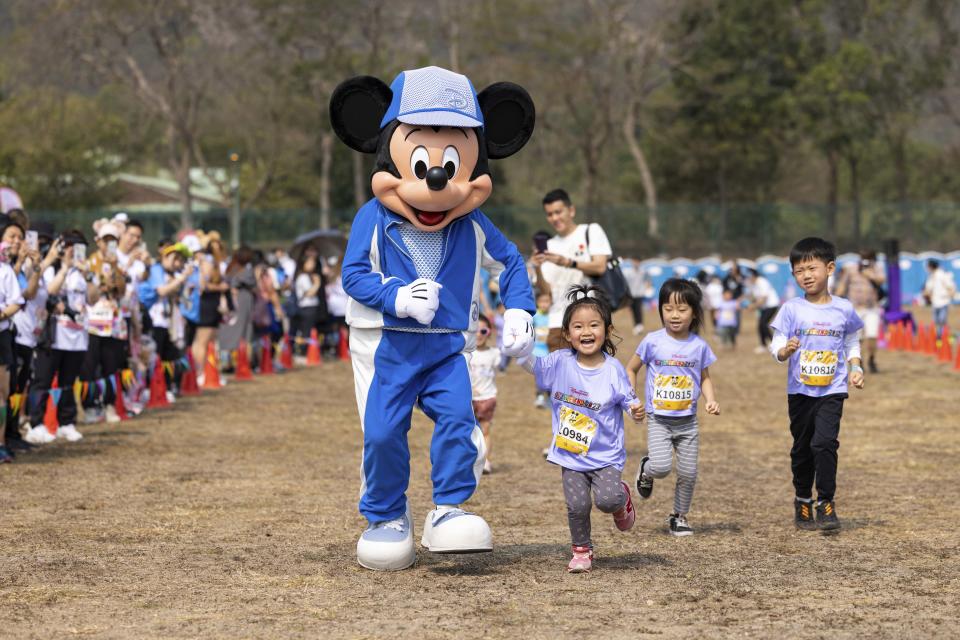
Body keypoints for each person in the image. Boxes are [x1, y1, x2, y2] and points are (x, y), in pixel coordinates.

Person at [521, 285, 641, 573]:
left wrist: (635, 409)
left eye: (593, 325)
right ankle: (582, 550)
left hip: (605, 455)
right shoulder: (559, 363)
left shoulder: (613, 369)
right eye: (578, 326)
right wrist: (518, 345)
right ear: (567, 334)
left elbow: (628, 398)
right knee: (577, 506)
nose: (586, 332)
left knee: (606, 499)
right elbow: (531, 365)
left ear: (607, 330)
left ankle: (622, 499)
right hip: (571, 454)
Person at [768, 237, 865, 532]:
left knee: (824, 444)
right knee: (802, 448)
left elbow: (851, 339)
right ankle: (802, 500)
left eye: (811, 268)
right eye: (799, 271)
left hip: (832, 390)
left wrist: (856, 366)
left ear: (830, 268)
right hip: (800, 392)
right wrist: (784, 351)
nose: (806, 275)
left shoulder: (844, 308)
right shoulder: (791, 309)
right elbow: (777, 342)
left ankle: (826, 502)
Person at [628, 278, 720, 537]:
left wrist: (710, 400)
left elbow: (704, 378)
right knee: (661, 467)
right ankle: (646, 469)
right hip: (659, 419)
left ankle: (679, 516)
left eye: (682, 309)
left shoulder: (699, 346)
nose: (674, 315)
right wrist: (632, 397)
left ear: (694, 313)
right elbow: (631, 368)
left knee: (689, 473)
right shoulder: (652, 341)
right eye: (668, 309)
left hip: (688, 423)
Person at [24, 231, 97, 445]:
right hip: (53, 336)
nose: (76, 253)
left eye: (81, 248)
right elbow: (48, 292)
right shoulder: (53, 269)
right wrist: (64, 268)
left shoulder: (83, 272)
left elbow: (93, 298)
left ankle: (67, 422)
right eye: (73, 248)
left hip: (78, 336)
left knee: (68, 382)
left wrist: (88, 276)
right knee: (43, 380)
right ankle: (35, 423)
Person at [530, 189, 612, 352]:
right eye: (550, 214)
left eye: (558, 212)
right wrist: (537, 267)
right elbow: (547, 292)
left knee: (593, 375)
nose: (554, 218)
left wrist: (568, 262)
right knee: (559, 377)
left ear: (571, 210)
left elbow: (600, 266)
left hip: (590, 321)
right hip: (558, 325)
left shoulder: (590, 231)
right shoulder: (549, 246)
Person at [6, 223, 59, 455]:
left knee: (18, 388)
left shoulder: (24, 265)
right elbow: (22, 295)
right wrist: (22, 263)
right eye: (13, 236)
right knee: (8, 390)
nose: (19, 242)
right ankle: (7, 435)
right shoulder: (7, 266)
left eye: (22, 237)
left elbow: (30, 292)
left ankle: (13, 433)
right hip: (14, 333)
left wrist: (37, 265)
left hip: (29, 337)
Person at [0, 218, 26, 461]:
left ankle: (0, 444)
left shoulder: (5, 270)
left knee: (2, 392)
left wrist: (1, 314)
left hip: (1, 335)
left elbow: (17, 301)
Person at [834, 250, 885, 373]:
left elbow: (882, 280)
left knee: (872, 335)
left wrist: (869, 274)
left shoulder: (876, 269)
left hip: (872, 308)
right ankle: (859, 361)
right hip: (855, 309)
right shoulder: (851, 269)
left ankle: (872, 359)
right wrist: (835, 300)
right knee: (858, 338)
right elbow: (842, 286)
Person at [469, 314, 499, 474]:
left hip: (487, 398)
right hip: (468, 398)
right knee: (466, 431)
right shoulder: (467, 353)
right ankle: (469, 460)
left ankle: (486, 461)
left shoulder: (495, 353)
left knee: (485, 430)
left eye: (483, 330)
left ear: (489, 332)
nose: (479, 334)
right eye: (476, 330)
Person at [293, 250, 327, 356]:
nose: (312, 265)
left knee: (309, 330)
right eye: (310, 263)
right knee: (306, 331)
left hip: (310, 307)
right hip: (306, 308)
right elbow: (309, 293)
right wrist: (317, 283)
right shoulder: (303, 277)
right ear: (303, 264)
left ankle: (307, 351)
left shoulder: (308, 276)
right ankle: (302, 351)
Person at [745, 268, 781, 353]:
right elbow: (753, 297)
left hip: (772, 305)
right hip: (764, 307)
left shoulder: (761, 282)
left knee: (763, 324)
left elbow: (764, 299)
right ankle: (763, 345)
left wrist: (753, 306)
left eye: (749, 277)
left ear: (753, 276)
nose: (748, 279)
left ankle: (774, 344)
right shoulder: (753, 284)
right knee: (761, 325)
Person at [923, 259, 956, 341]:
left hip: (943, 301)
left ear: (931, 266)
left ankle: (945, 336)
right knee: (936, 321)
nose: (927, 268)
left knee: (942, 320)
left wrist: (951, 292)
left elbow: (950, 285)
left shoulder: (942, 274)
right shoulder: (931, 276)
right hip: (935, 302)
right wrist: (926, 293)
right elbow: (928, 288)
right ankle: (940, 336)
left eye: (928, 266)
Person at [532, 290, 551, 409]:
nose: (544, 304)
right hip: (537, 351)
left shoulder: (553, 317)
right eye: (542, 302)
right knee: (540, 375)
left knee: (551, 375)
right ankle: (539, 396)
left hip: (550, 351)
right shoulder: (535, 316)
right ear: (537, 302)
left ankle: (550, 397)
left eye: (547, 302)